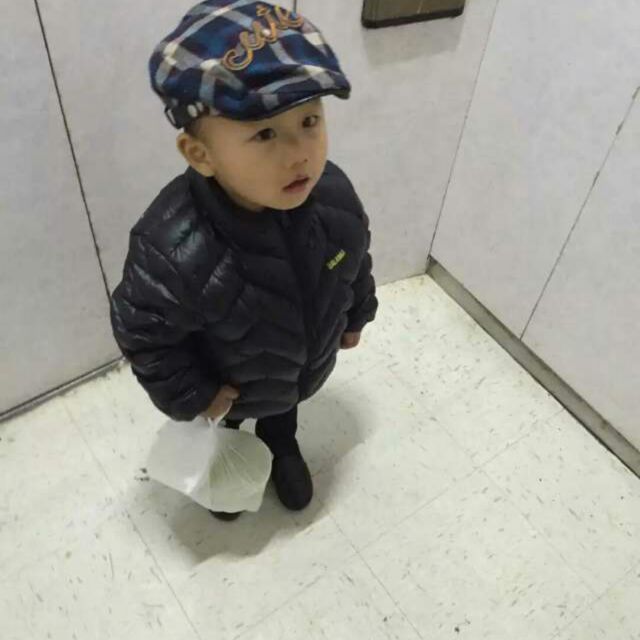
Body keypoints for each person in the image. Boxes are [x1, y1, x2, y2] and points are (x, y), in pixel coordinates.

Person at [110, 0, 378, 521]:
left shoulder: (333, 195)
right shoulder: (171, 248)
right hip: (230, 388)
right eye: (264, 134)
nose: (299, 153)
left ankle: (281, 445)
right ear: (200, 154)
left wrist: (357, 313)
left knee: (283, 413)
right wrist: (197, 394)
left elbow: (354, 255)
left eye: (309, 120)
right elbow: (144, 334)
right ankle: (227, 467)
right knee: (231, 425)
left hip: (296, 369)